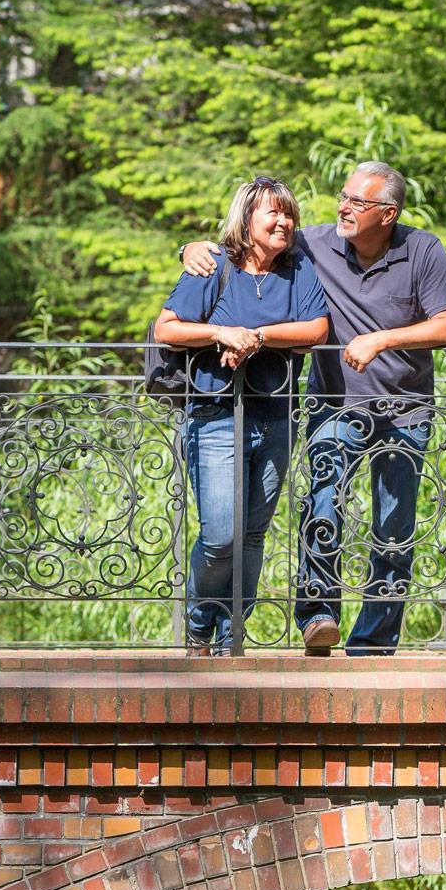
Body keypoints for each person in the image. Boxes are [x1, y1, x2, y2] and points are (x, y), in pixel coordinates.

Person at [180, 161, 446, 655]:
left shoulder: (423, 250)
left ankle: (373, 643)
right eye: (343, 196)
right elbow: (251, 240)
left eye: (357, 201)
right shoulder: (315, 244)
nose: (344, 207)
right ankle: (318, 615)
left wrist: (382, 339)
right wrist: (188, 248)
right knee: (322, 507)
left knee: (392, 529)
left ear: (388, 213)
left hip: (406, 411)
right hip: (335, 407)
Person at [157, 176, 329, 656]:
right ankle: (198, 625)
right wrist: (222, 333)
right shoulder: (212, 266)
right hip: (214, 416)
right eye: (273, 213)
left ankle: (233, 633)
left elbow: (316, 328)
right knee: (221, 535)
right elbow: (166, 328)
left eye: (289, 214)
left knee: (252, 536)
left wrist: (256, 335)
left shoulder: (299, 269)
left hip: (276, 417)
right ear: (246, 218)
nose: (283, 222)